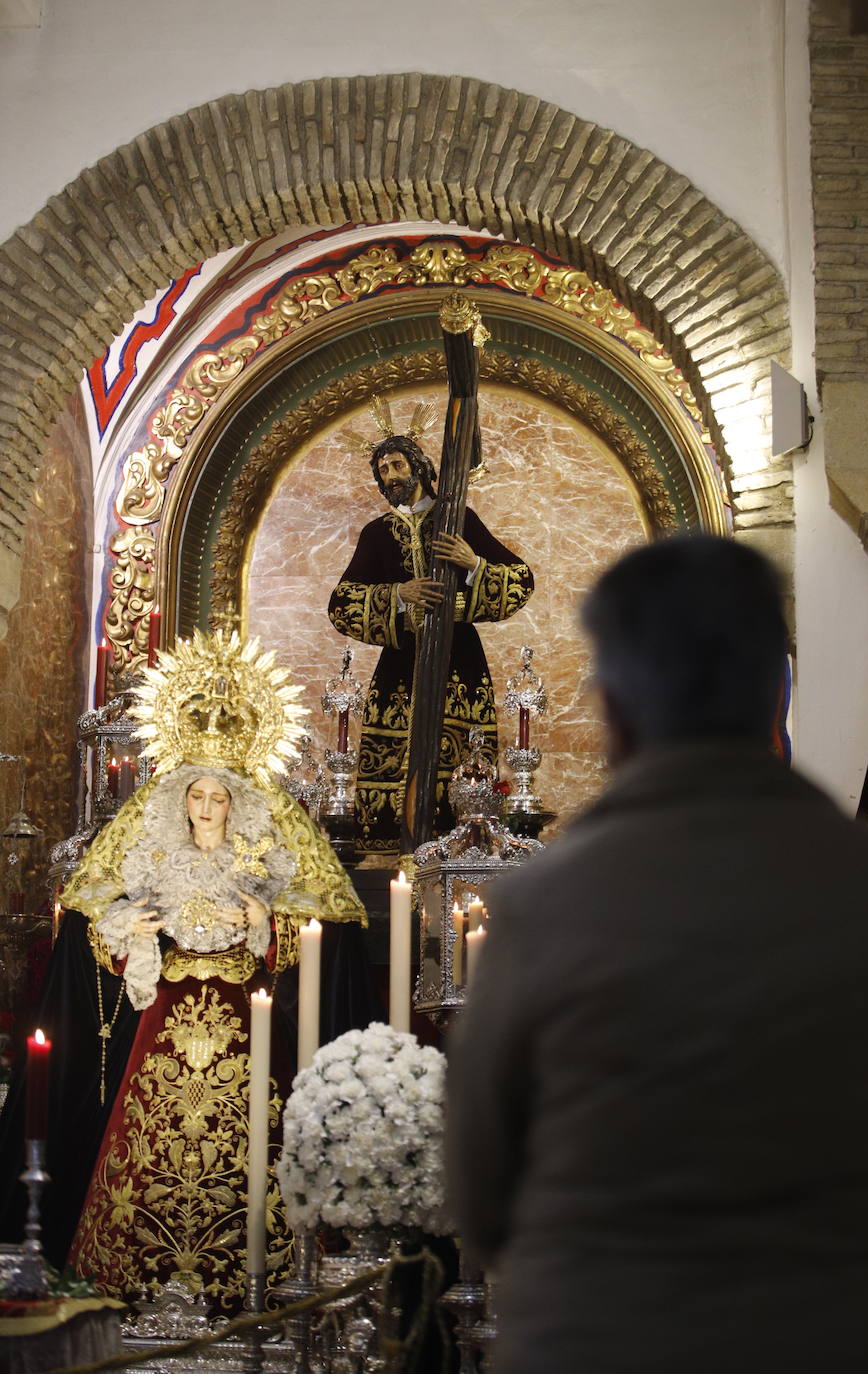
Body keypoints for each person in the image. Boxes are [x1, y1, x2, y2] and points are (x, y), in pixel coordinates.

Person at [447, 534, 868, 1373]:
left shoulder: (547, 907)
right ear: (775, 687)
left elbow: (481, 1197)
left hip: (600, 1340)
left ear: (616, 710)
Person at [56, 631, 368, 1313]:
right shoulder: (156, 857)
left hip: (242, 1010)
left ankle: (263, 1282)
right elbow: (102, 921)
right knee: (148, 1139)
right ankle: (131, 1277)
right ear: (183, 800)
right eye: (195, 795)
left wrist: (263, 921)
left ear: (234, 804)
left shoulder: (260, 860)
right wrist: (131, 928)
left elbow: (312, 923)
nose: (204, 807)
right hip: (167, 1010)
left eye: (217, 798)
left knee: (255, 1133)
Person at [329, 407, 533, 858]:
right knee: (397, 758)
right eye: (383, 469)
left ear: (419, 467)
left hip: (459, 663)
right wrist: (398, 596)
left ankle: (464, 848)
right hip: (400, 667)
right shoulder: (377, 534)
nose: (390, 475)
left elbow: (521, 580)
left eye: (397, 464)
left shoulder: (459, 519)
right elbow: (341, 604)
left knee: (459, 757)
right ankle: (400, 856)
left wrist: (473, 564)